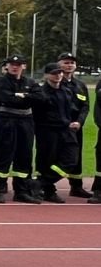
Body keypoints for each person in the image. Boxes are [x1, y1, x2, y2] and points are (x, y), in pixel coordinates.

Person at [0, 54, 40, 203]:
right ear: (7, 66)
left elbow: (41, 98)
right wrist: (26, 97)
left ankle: (21, 191)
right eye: (12, 64)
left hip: (26, 122)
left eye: (18, 64)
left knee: (24, 156)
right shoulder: (0, 82)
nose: (15, 67)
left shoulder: (30, 82)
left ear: (24, 66)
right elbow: (5, 98)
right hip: (6, 121)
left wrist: (20, 96)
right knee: (4, 155)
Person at [34, 62, 82, 205]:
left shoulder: (66, 91)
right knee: (48, 161)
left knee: (71, 159)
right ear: (46, 75)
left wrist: (74, 121)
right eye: (54, 73)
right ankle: (49, 191)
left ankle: (39, 183)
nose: (58, 75)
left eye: (60, 72)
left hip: (66, 130)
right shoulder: (41, 92)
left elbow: (71, 110)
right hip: (47, 131)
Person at [54, 53, 88, 198]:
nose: (69, 65)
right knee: (55, 155)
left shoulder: (80, 85)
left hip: (76, 126)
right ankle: (46, 185)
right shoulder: (56, 82)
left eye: (72, 63)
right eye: (66, 62)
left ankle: (76, 186)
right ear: (59, 64)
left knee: (76, 157)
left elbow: (85, 106)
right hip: (59, 126)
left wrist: (79, 122)